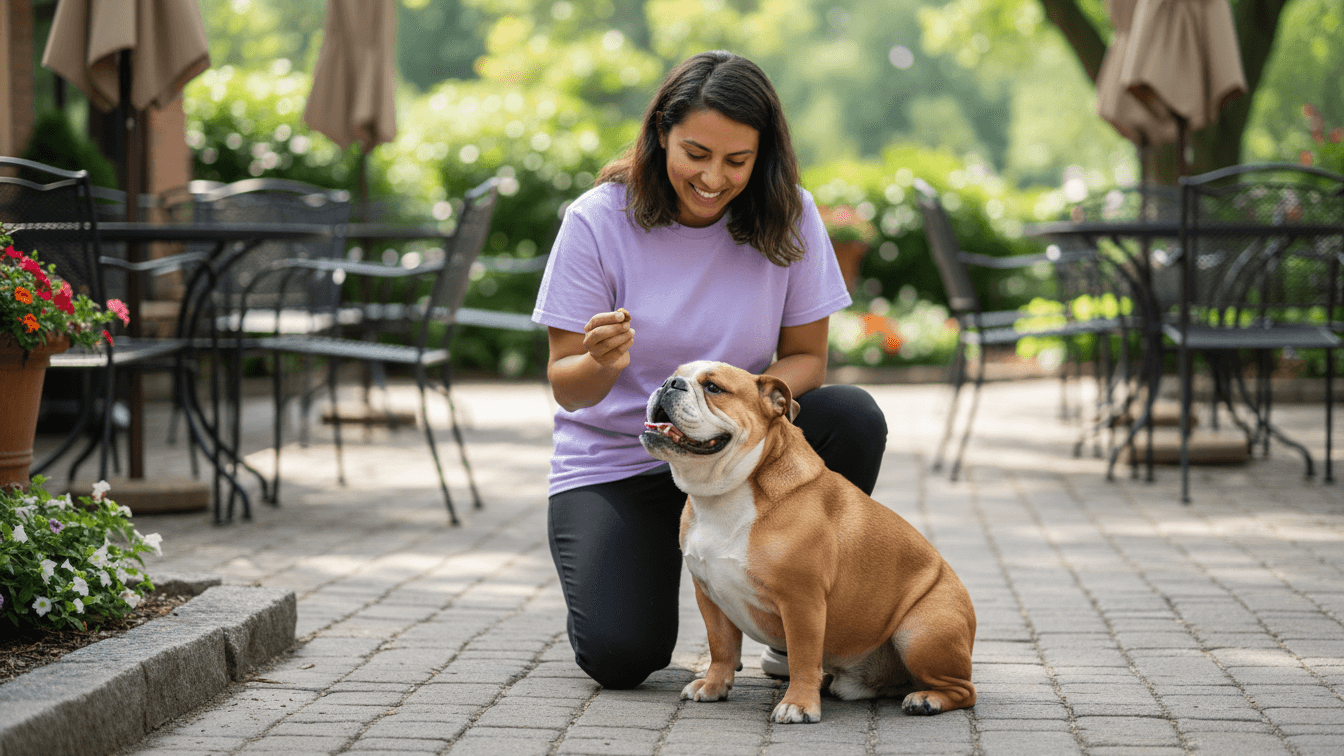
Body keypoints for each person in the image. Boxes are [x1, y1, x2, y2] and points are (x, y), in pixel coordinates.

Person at [530, 50, 888, 690]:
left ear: (763, 156)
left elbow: (809, 356)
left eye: (737, 161)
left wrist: (745, 408)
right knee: (619, 658)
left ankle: (794, 628)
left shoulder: (790, 214)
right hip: (623, 458)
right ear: (660, 132)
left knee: (849, 416)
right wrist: (602, 362)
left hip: (740, 453)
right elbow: (566, 385)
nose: (713, 178)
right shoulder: (595, 220)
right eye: (695, 153)